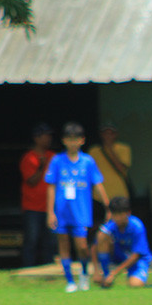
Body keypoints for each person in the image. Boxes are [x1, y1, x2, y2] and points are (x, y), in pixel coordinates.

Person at [46, 122, 110, 293]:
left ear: (82, 140)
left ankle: (83, 274)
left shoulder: (88, 161)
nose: (72, 143)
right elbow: (51, 187)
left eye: (76, 139)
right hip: (61, 211)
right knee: (63, 245)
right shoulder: (57, 161)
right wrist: (50, 212)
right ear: (63, 141)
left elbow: (98, 184)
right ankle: (69, 281)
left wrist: (107, 205)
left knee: (82, 246)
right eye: (69, 139)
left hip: (81, 212)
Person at [91, 196, 152, 288]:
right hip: (119, 255)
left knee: (135, 285)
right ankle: (105, 274)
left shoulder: (137, 226)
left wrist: (114, 274)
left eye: (120, 214)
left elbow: (136, 255)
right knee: (101, 235)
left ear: (128, 213)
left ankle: (111, 276)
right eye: (115, 215)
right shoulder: (110, 226)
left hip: (136, 260)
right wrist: (96, 270)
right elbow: (94, 246)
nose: (117, 218)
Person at [19, 122, 56, 267]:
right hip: (32, 208)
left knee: (51, 242)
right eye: (45, 136)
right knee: (31, 241)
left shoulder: (53, 157)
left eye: (49, 136)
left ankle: (49, 270)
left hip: (50, 208)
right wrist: (41, 167)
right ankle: (28, 269)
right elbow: (31, 181)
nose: (48, 139)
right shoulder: (29, 158)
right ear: (37, 138)